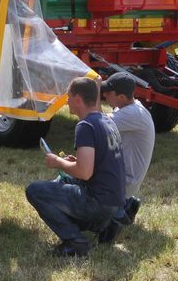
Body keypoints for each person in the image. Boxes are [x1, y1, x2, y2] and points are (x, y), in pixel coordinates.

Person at [25, 76, 126, 257]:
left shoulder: (85, 126)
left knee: (35, 191)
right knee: (63, 181)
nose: (67, 101)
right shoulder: (106, 121)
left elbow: (84, 173)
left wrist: (58, 162)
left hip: (98, 202)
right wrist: (74, 162)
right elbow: (99, 163)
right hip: (115, 201)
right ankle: (106, 225)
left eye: (69, 97)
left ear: (78, 99)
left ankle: (76, 242)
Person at [100, 71, 155, 227]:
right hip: (125, 178)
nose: (104, 96)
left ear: (121, 97)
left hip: (125, 182)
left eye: (107, 93)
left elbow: (95, 123)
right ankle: (126, 204)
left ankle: (119, 211)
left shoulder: (132, 114)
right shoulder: (130, 108)